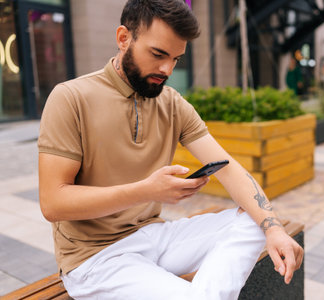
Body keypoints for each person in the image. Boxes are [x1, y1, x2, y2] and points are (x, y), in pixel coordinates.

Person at [38, 0, 303, 299]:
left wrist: (274, 228)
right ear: (124, 38)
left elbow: (227, 168)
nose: (167, 69)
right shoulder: (70, 98)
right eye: (158, 54)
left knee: (256, 222)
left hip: (154, 236)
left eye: (176, 58)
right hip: (94, 258)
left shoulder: (172, 103)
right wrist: (147, 191)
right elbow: (53, 202)